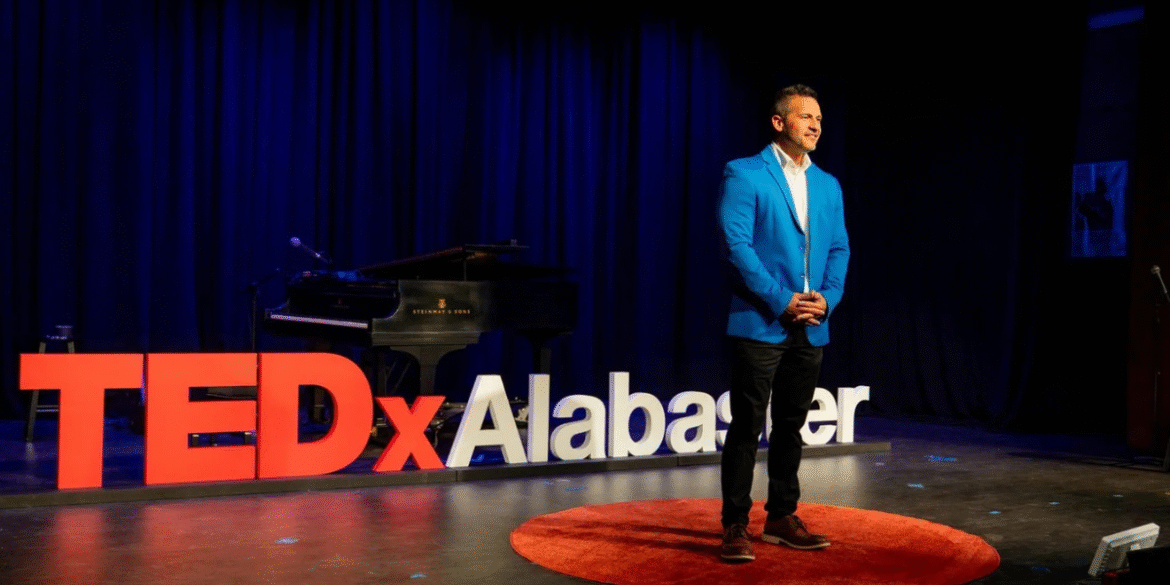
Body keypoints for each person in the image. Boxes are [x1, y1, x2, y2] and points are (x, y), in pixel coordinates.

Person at [717, 84, 849, 562]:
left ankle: (781, 516)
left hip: (812, 323)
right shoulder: (745, 173)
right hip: (762, 319)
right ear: (779, 123)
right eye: (805, 117)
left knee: (792, 425)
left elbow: (839, 249)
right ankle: (735, 524)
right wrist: (780, 299)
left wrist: (827, 300)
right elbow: (737, 247)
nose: (816, 125)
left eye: (819, 118)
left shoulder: (828, 184)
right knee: (747, 425)